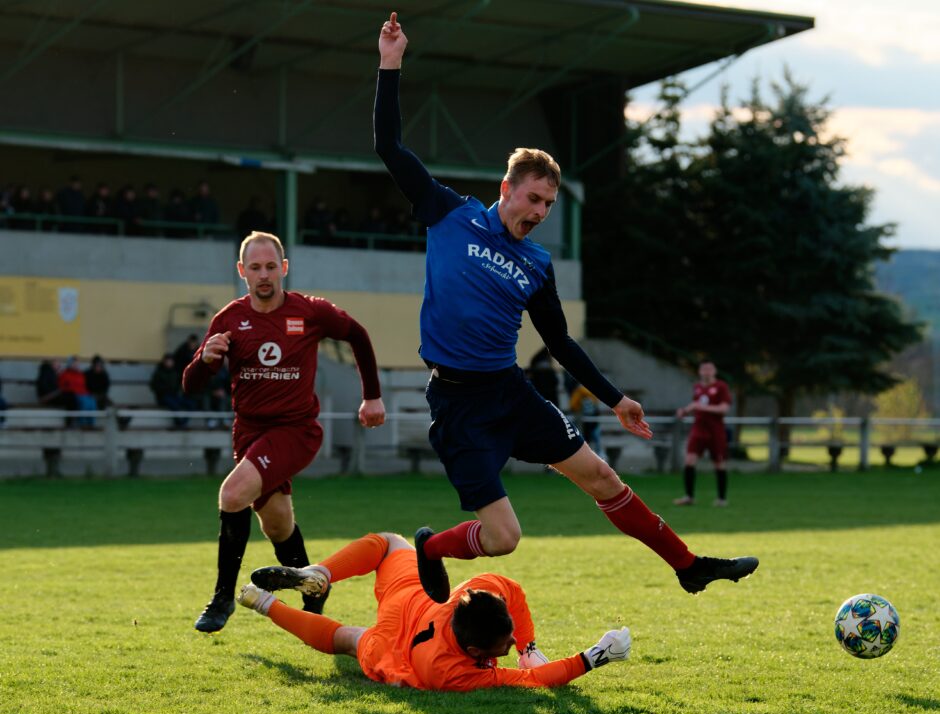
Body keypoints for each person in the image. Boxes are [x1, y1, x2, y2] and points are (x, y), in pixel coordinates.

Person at [374, 13, 758, 602]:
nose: (539, 212)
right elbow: (389, 147)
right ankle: (430, 547)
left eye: (549, 204)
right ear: (506, 189)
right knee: (503, 537)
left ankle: (688, 565)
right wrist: (391, 64)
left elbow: (559, 344)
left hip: (510, 391)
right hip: (457, 402)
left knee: (603, 476)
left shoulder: (538, 265)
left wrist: (617, 399)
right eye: (533, 198)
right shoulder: (449, 213)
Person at [182, 230, 386, 633]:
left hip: (295, 430)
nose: (264, 275)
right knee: (276, 523)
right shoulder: (228, 319)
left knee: (232, 492)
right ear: (242, 271)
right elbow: (191, 385)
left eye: (271, 267)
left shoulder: (309, 312)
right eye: (255, 267)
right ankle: (313, 585)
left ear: (284, 268)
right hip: (250, 433)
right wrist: (204, 361)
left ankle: (223, 597)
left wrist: (372, 398)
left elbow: (358, 336)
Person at [238, 532, 632, 691]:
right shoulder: (454, 674)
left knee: (389, 542)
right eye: (506, 642)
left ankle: (320, 573)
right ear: (476, 653)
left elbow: (508, 589)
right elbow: (536, 681)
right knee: (347, 638)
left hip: (413, 601)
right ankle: (263, 602)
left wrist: (527, 644)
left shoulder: (474, 596)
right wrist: (594, 657)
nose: (510, 641)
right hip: (395, 650)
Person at [674, 361, 733, 507]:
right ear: (700, 371)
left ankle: (721, 499)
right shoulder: (698, 387)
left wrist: (701, 407)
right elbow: (696, 405)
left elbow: (724, 409)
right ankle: (689, 497)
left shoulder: (721, 386)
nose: (706, 372)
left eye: (709, 369)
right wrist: (685, 411)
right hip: (698, 429)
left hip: (715, 430)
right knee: (689, 460)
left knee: (719, 462)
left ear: (714, 371)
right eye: (704, 369)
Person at [150, 353, 198, 429]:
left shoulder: (176, 372)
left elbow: (180, 384)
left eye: (171, 361)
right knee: (175, 406)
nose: (169, 363)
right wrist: (165, 390)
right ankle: (180, 424)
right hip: (164, 396)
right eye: (168, 361)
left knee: (191, 404)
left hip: (175, 396)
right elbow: (154, 386)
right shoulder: (159, 373)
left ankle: (182, 423)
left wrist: (179, 392)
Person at [58, 356, 97, 427]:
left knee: (92, 402)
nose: (76, 365)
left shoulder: (80, 374)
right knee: (84, 402)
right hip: (74, 394)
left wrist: (87, 393)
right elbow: (62, 386)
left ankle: (91, 424)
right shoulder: (65, 374)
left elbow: (83, 386)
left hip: (83, 393)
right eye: (74, 363)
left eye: (77, 363)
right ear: (70, 364)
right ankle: (82, 423)